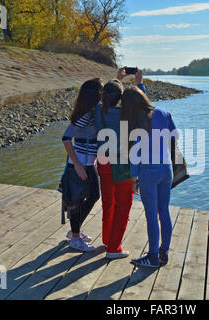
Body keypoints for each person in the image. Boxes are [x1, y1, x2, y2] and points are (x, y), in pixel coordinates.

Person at [121, 85, 178, 268]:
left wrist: (134, 178)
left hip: (148, 172)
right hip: (166, 169)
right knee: (164, 211)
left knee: (151, 215)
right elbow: (175, 135)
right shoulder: (163, 112)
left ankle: (152, 256)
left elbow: (135, 155)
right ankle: (164, 252)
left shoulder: (136, 122)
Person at [94, 68, 147, 260]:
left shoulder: (100, 109)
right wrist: (139, 82)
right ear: (121, 96)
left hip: (103, 160)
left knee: (108, 201)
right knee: (123, 204)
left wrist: (117, 80)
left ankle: (108, 238)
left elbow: (110, 95)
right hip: (121, 162)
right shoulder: (125, 111)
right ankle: (113, 248)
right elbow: (142, 106)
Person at [61, 78, 103, 252]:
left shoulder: (93, 113)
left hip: (88, 163)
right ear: (95, 94)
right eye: (101, 90)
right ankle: (76, 238)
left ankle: (74, 230)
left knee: (93, 196)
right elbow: (65, 138)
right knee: (76, 201)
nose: (104, 93)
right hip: (78, 165)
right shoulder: (85, 116)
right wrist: (77, 164)